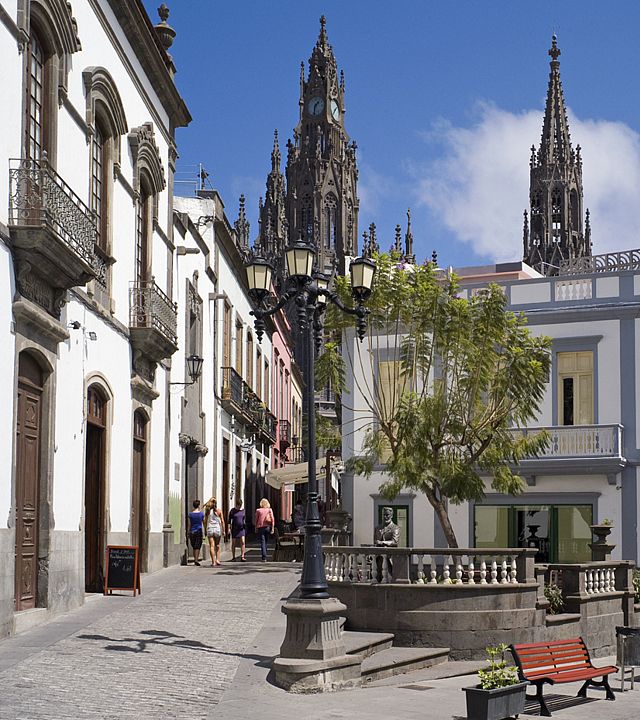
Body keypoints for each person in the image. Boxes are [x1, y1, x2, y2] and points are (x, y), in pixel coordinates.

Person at [204, 497, 225, 567]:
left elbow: (205, 521)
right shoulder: (219, 511)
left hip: (210, 529)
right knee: (217, 545)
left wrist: (205, 530)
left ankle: (213, 562)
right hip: (217, 529)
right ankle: (218, 560)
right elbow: (222, 521)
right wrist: (223, 530)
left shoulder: (207, 511)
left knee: (212, 546)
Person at [255, 498, 275, 562]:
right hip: (267, 527)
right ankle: (265, 554)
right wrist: (272, 528)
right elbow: (272, 519)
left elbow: (256, 519)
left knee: (262, 541)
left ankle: (264, 557)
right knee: (266, 541)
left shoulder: (258, 510)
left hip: (261, 527)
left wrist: (256, 527)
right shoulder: (269, 510)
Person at [187, 499, 205, 566]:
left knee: (194, 545)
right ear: (199, 506)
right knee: (197, 546)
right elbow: (203, 523)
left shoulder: (190, 514)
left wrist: (188, 532)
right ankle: (196, 560)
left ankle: (195, 559)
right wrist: (204, 531)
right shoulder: (201, 514)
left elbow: (189, 524)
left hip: (192, 531)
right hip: (199, 531)